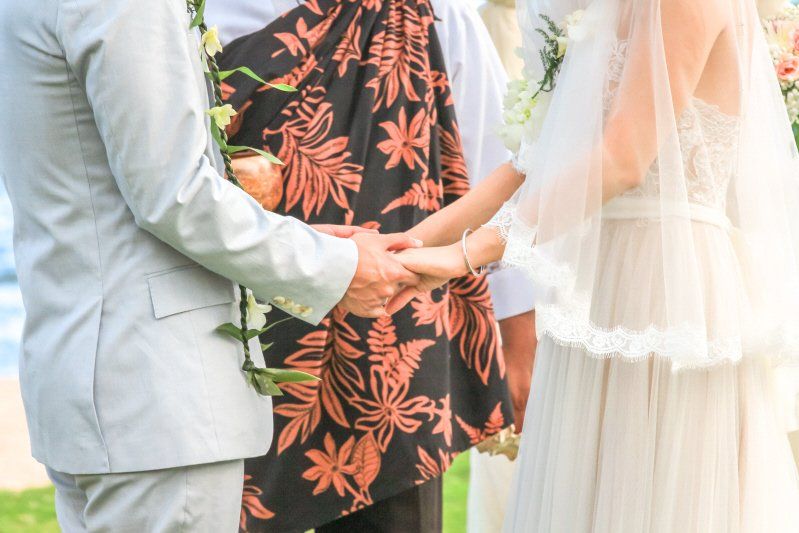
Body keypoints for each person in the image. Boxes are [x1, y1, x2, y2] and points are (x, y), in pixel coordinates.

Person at [0, 0, 424, 531]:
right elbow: (176, 196)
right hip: (156, 392)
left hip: (88, 372)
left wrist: (303, 239)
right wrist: (333, 266)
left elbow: (103, 196)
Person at [392, 0, 799, 530]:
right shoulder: (597, 9)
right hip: (594, 295)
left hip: (668, 291)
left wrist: (464, 256)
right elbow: (529, 165)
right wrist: (403, 244)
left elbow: (621, 159)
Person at [203, 0, 533, 530]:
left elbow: (497, 170)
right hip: (232, 333)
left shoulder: (433, 12)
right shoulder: (184, 14)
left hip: (391, 353)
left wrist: (521, 334)